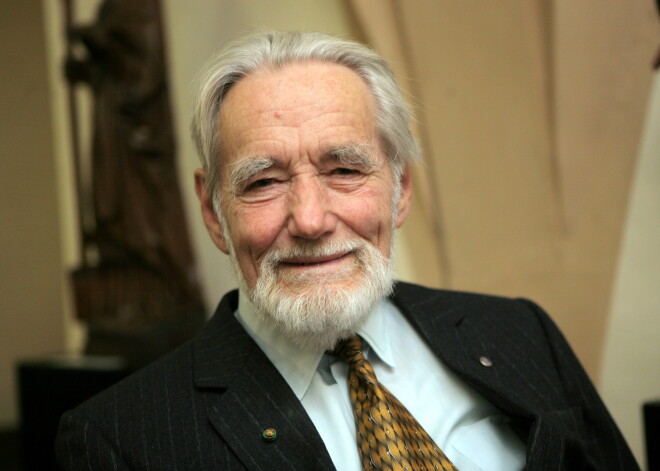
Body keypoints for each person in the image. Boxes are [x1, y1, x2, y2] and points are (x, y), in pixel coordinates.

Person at [56, 31, 639, 470]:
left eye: (344, 170)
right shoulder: (121, 440)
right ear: (213, 211)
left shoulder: (520, 334)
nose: (310, 220)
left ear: (400, 189)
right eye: (264, 182)